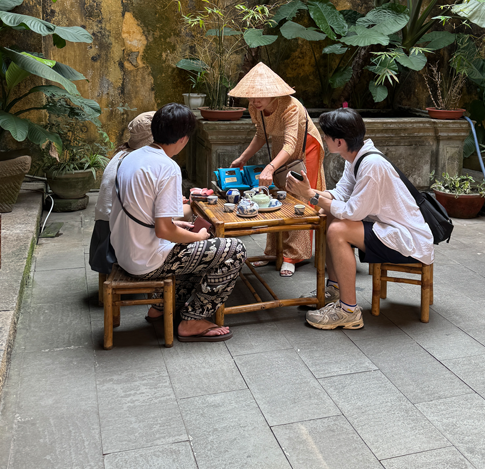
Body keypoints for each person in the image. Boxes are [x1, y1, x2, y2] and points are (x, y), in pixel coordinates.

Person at [109, 103, 246, 342]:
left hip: (124, 251)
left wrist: (181, 229)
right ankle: (193, 320)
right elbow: (164, 230)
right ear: (183, 139)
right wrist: (196, 237)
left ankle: (160, 308)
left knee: (199, 245)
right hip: (146, 261)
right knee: (233, 249)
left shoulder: (131, 157)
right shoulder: (168, 166)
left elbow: (146, 216)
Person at [287, 107, 434, 330]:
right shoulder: (355, 158)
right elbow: (340, 193)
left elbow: (353, 212)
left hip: (405, 238)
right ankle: (336, 288)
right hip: (383, 225)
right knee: (327, 215)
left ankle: (348, 311)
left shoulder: (371, 165)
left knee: (337, 230)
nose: (324, 139)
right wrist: (312, 193)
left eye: (326, 136)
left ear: (339, 142)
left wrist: (310, 195)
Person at [229, 62, 325, 277]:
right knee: (277, 197)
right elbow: (262, 135)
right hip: (282, 147)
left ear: (274, 94)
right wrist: (242, 158)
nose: (255, 101)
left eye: (260, 97)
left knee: (299, 198)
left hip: (304, 146)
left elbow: (292, 145)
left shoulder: (291, 106)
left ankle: (293, 255)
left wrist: (270, 167)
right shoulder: (256, 108)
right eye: (252, 97)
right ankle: (274, 251)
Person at [89, 112, 192, 275]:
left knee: (175, 214)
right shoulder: (155, 163)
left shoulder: (123, 156)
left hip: (107, 231)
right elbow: (156, 221)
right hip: (122, 237)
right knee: (187, 211)